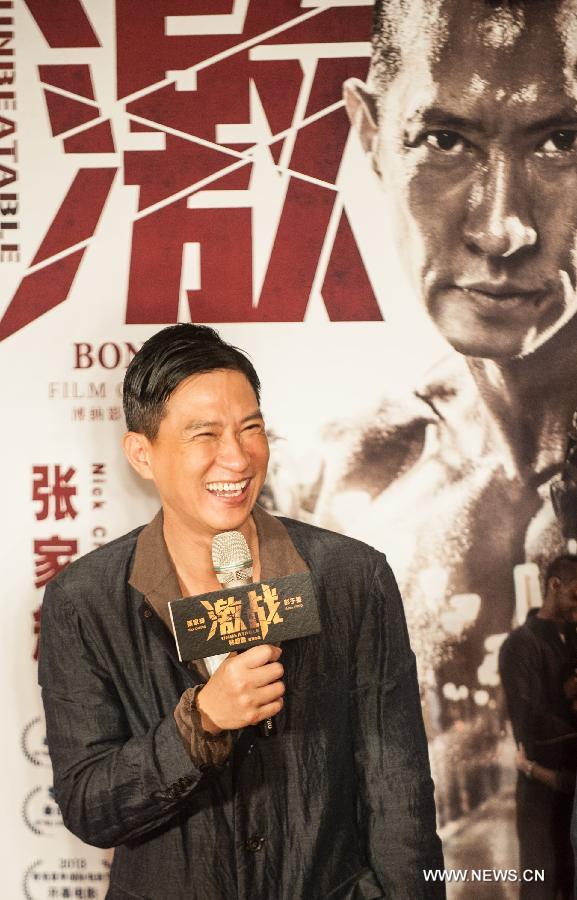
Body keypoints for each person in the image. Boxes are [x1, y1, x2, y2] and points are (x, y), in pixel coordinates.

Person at [38, 323, 444, 900]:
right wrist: (199, 723)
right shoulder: (85, 601)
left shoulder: (351, 576)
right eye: (205, 434)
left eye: (251, 427)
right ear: (141, 453)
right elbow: (89, 805)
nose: (236, 456)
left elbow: (396, 783)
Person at [299, 0, 577, 828]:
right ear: (369, 134)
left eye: (561, 142)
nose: (501, 227)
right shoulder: (354, 478)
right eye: (445, 140)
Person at [499, 555, 577, 899]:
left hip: (571, 788)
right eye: (576, 594)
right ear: (554, 585)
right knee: (541, 887)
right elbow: (529, 723)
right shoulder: (520, 644)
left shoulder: (573, 638)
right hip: (541, 794)